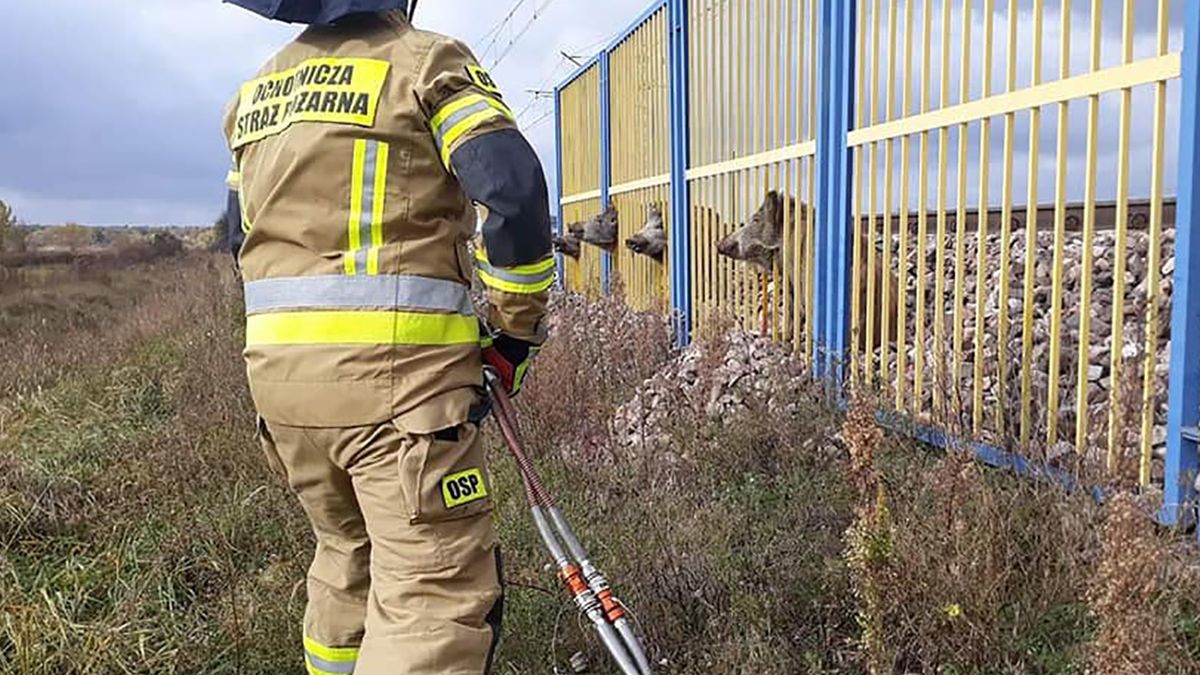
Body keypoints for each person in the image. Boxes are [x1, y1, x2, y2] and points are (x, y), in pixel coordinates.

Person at [220, 1, 554, 672]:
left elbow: (237, 235)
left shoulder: (256, 94)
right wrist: (514, 335)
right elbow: (514, 198)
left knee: (347, 555)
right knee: (432, 590)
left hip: (283, 395)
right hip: (402, 398)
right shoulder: (427, 62)